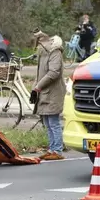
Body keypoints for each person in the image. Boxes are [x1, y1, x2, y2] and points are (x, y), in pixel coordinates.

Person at [30, 30, 66, 161]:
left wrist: (39, 86)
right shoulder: (43, 53)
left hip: (53, 92)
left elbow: (53, 72)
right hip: (44, 92)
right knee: (47, 121)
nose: (37, 48)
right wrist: (34, 87)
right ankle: (52, 149)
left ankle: (58, 150)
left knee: (53, 122)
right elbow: (39, 73)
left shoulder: (55, 52)